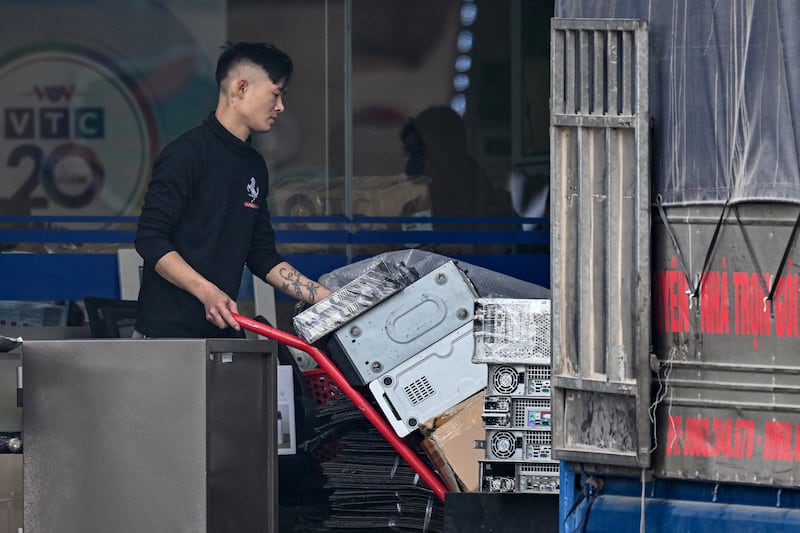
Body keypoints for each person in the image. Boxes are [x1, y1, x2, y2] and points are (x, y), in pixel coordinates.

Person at [133, 41, 331, 338]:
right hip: (166, 340)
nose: (281, 107)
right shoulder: (186, 154)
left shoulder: (254, 166)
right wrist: (207, 292)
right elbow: (150, 239)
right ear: (241, 88)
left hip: (220, 335)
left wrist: (328, 300)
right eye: (275, 94)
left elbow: (262, 256)